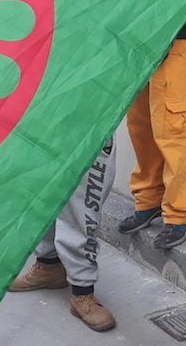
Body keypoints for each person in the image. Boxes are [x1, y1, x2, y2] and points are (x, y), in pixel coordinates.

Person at [9, 138, 118, 332]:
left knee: (83, 201)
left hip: (93, 114)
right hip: (48, 113)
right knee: (42, 187)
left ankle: (82, 290)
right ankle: (48, 265)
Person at [117, 8, 186, 249]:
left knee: (172, 129)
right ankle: (148, 200)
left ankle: (178, 214)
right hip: (137, 37)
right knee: (139, 124)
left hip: (174, 34)